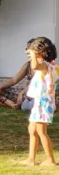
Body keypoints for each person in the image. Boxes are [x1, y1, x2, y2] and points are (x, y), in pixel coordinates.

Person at [22, 37, 59, 167]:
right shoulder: (50, 65)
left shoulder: (46, 65)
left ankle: (50, 159)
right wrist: (33, 54)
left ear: (41, 51)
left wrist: (33, 56)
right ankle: (31, 159)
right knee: (32, 129)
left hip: (44, 103)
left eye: (32, 50)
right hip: (40, 102)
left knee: (41, 131)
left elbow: (35, 66)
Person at [0, 40, 35, 110]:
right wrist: (0, 87)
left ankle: (10, 103)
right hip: (25, 92)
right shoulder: (27, 65)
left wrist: (21, 93)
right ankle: (12, 104)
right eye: (26, 49)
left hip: (34, 94)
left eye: (30, 49)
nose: (27, 51)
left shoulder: (42, 66)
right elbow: (14, 79)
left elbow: (35, 85)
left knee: (28, 100)